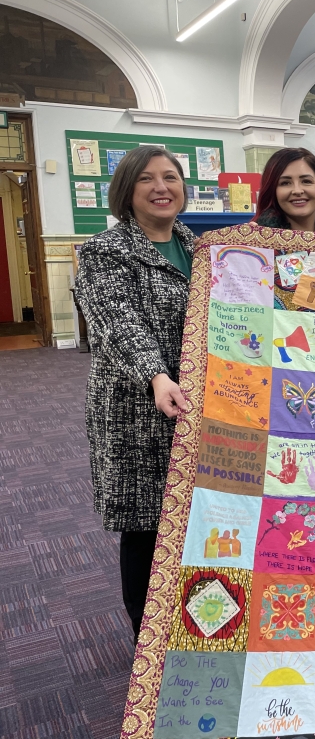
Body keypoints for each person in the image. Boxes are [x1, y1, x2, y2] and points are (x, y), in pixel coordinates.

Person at [75, 145, 195, 644]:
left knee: (193, 525)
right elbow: (118, 324)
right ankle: (148, 643)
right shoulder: (105, 251)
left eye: (170, 177)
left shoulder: (198, 247)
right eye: (146, 179)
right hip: (135, 410)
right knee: (147, 527)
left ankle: (192, 630)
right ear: (126, 190)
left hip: (195, 406)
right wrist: (155, 374)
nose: (161, 187)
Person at [252, 147, 315, 234]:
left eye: (306, 181)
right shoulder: (257, 239)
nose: (297, 190)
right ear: (272, 191)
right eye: (285, 183)